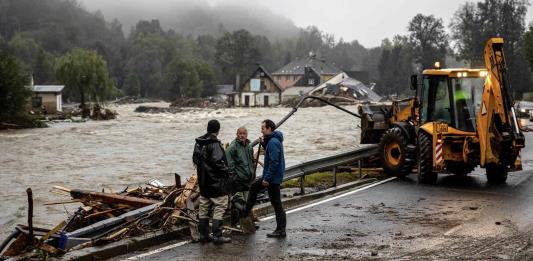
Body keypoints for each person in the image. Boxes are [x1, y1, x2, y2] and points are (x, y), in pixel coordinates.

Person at [193, 119, 232, 245]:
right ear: (218, 130)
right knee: (219, 207)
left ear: (208, 128)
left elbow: (195, 160)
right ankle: (217, 236)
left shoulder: (199, 143)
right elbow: (218, 162)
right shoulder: (214, 144)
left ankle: (203, 235)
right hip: (216, 184)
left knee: (203, 208)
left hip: (204, 183)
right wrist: (227, 172)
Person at [245, 119, 286, 238]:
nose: (261, 130)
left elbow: (274, 162)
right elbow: (271, 153)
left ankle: (281, 230)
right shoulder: (274, 140)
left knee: (276, 203)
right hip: (274, 176)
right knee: (275, 202)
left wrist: (266, 178)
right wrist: (263, 143)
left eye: (263, 128)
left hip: (272, 177)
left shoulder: (273, 142)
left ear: (269, 129)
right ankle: (280, 229)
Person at [226, 127, 255, 227]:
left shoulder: (249, 146)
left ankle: (247, 223)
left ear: (247, 134)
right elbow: (230, 167)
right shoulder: (232, 148)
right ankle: (234, 224)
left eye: (244, 133)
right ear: (237, 134)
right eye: (240, 133)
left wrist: (252, 175)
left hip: (248, 180)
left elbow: (251, 162)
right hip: (238, 180)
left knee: (247, 203)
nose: (242, 135)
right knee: (237, 203)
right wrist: (234, 180)